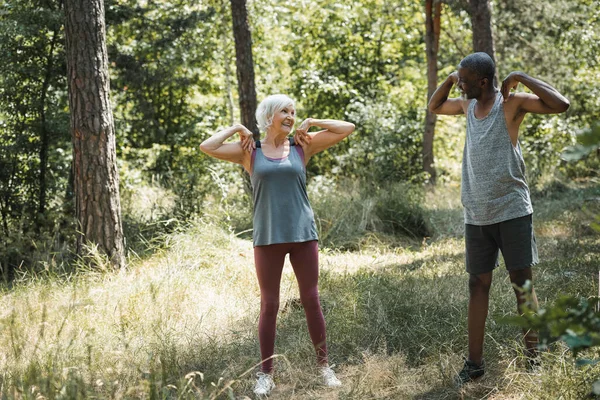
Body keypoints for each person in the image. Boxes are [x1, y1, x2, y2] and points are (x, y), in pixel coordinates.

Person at [428, 52, 569, 386]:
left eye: (463, 79)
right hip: (476, 214)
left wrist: (521, 76)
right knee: (477, 283)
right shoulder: (466, 107)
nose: (459, 83)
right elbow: (434, 106)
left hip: (511, 211)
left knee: (522, 285)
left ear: (482, 81)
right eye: (457, 79)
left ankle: (534, 359)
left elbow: (560, 104)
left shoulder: (511, 104)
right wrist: (449, 80)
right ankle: (474, 363)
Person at [199, 94, 355, 396]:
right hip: (268, 236)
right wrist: (236, 128)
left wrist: (312, 122)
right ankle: (266, 374)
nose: (291, 116)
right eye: (285, 111)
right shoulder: (250, 151)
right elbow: (207, 147)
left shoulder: (302, 146)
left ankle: (324, 367)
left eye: (294, 112)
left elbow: (346, 127)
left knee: (311, 298)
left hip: (303, 235)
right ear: (269, 115)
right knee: (269, 304)